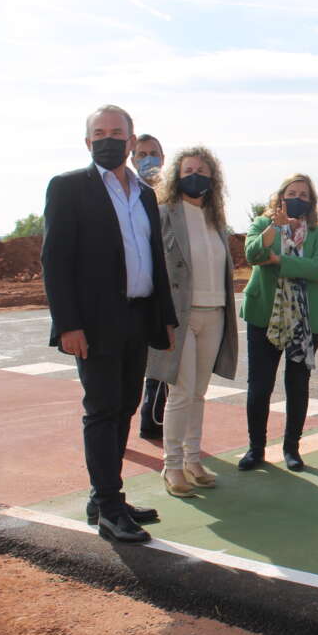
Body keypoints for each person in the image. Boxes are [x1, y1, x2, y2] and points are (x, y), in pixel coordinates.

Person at [41, 105, 178, 544]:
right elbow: (55, 261)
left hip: (137, 317)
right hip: (94, 323)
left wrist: (165, 318)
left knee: (124, 408)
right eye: (98, 132)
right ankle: (110, 507)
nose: (107, 138)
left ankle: (105, 498)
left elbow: (153, 259)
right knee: (102, 410)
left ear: (131, 140)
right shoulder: (68, 188)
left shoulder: (145, 194)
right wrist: (68, 324)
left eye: (116, 132)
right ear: (87, 142)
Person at [146, 146, 239, 497]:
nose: (195, 175)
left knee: (199, 392)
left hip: (214, 312)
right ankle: (172, 466)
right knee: (181, 392)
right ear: (177, 175)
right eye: (188, 170)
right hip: (180, 317)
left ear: (212, 178)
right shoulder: (164, 213)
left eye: (202, 170)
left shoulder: (216, 219)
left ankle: (193, 459)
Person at [239, 174, 318, 472]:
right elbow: (253, 254)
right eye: (292, 193)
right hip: (264, 316)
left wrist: (278, 261)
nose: (298, 198)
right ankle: (256, 449)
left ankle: (292, 448)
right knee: (260, 386)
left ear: (311, 202)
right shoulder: (261, 224)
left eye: (304, 195)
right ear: (280, 197)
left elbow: (317, 268)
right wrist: (275, 230)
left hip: (305, 320)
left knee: (297, 384)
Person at [133, 133, 169, 440]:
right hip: (133, 295)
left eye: (153, 153)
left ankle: (153, 420)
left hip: (165, 292)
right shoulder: (125, 193)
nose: (148, 159)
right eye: (142, 153)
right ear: (132, 158)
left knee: (162, 363)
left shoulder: (171, 196)